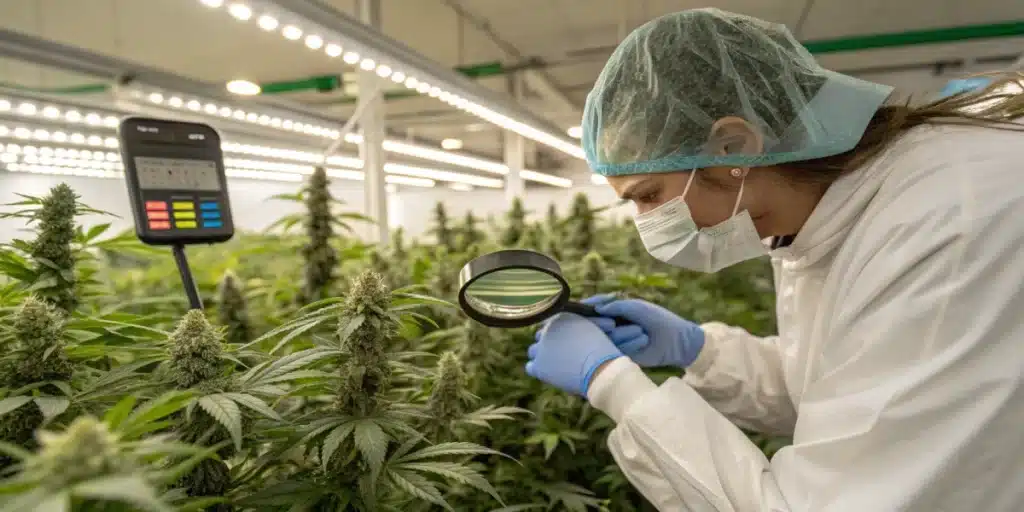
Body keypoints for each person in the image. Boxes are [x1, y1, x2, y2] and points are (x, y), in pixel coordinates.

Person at [523, 8, 1024, 511]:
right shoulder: (821, 212)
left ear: (734, 146)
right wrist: (701, 353)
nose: (645, 221)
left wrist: (614, 385)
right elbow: (836, 392)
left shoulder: (943, 223)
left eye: (649, 194)